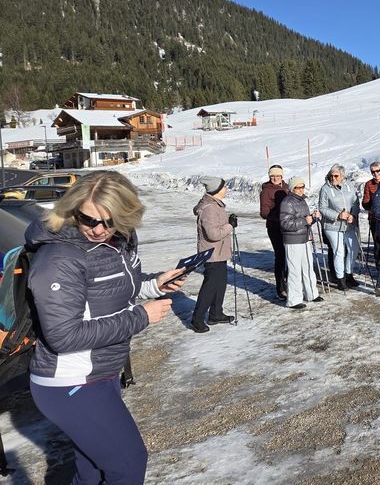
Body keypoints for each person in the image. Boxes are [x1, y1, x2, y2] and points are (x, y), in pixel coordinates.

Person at [25, 170, 187, 484]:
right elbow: (63, 336)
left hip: (102, 372)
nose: (99, 229)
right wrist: (141, 317)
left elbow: (117, 288)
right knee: (128, 464)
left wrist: (155, 284)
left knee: (92, 470)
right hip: (70, 381)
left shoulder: (119, 240)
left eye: (109, 221)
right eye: (89, 220)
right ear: (73, 210)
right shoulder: (58, 258)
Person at [192, 176, 236, 332]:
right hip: (212, 253)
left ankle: (216, 313)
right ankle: (197, 319)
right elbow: (213, 234)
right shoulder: (209, 208)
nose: (226, 189)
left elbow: (217, 225)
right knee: (210, 287)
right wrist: (230, 226)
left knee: (220, 284)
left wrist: (228, 220)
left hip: (219, 252)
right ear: (216, 190)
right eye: (224, 187)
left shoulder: (216, 205)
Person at [280, 176, 324, 309]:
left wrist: (313, 218)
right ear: (292, 188)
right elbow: (285, 223)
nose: (300, 190)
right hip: (293, 240)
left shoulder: (302, 200)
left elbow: (306, 221)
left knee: (308, 267)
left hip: (304, 239)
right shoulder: (287, 202)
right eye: (297, 187)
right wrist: (305, 220)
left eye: (302, 187)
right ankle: (294, 300)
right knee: (295, 270)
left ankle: (311, 294)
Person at [318, 164, 360, 290]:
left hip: (348, 224)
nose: (333, 178)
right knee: (339, 251)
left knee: (353, 248)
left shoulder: (349, 186)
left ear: (342, 176)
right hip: (332, 225)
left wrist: (353, 215)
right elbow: (322, 208)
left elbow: (355, 202)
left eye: (336, 176)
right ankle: (340, 279)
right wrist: (337, 215)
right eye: (331, 176)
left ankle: (349, 274)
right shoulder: (326, 189)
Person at [259, 164, 289, 300]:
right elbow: (264, 212)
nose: (275, 178)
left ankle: (290, 283)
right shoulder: (266, 191)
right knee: (280, 256)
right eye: (272, 176)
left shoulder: (287, 187)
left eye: (278, 176)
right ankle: (280, 288)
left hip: (288, 227)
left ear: (282, 176)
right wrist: (280, 215)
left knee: (289, 255)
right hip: (275, 227)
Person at [361, 161, 380, 268]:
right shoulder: (369, 184)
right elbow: (365, 202)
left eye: (377, 171)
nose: (375, 173)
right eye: (373, 172)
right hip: (375, 219)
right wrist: (372, 204)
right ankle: (379, 268)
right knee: (378, 245)